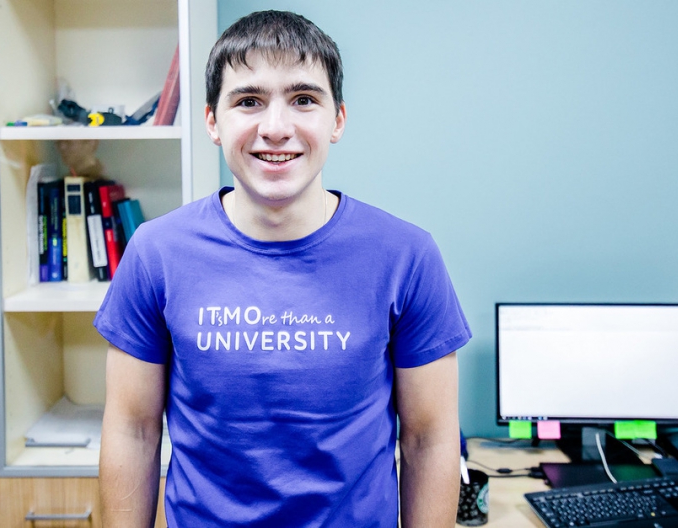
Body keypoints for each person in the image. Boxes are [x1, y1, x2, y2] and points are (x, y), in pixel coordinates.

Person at [96, 10, 471, 527]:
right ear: (212, 121)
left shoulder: (407, 256)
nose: (275, 129)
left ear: (337, 119)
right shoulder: (154, 253)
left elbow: (429, 439)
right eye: (248, 101)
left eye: (304, 100)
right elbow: (133, 430)